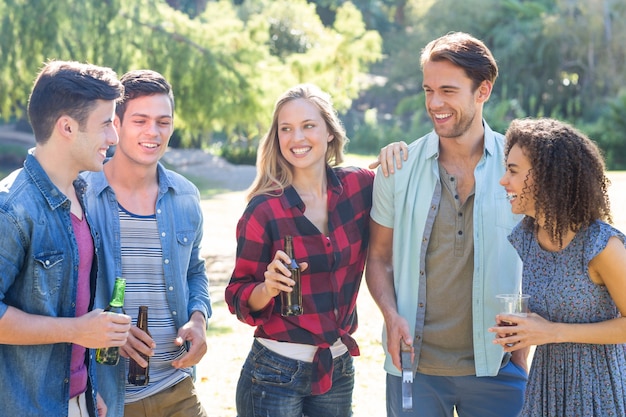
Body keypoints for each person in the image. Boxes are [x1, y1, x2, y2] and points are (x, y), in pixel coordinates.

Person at [365, 32, 528, 417]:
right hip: (412, 370)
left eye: (448, 91)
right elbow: (378, 258)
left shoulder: (520, 169)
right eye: (428, 90)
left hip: (498, 371)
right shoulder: (397, 168)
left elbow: (535, 265)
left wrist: (520, 361)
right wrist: (391, 317)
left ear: (482, 91)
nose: (435, 103)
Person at [225, 83, 377, 417]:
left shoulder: (359, 187)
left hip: (337, 368)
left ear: (330, 133)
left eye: (308, 126)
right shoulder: (264, 211)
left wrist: (396, 150)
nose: (298, 138)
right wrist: (267, 288)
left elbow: (400, 176)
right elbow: (237, 295)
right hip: (273, 373)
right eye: (287, 129)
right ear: (277, 139)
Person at [0, 60, 131, 417]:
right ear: (67, 127)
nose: (114, 137)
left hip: (75, 401)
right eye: (106, 123)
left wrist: (84, 394)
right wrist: (77, 330)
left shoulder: (81, 192)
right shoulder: (11, 209)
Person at [82, 69, 211, 417]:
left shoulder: (185, 195)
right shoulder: (83, 195)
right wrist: (108, 331)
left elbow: (195, 271)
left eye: (163, 121)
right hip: (106, 396)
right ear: (116, 124)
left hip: (177, 387)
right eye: (140, 120)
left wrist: (199, 319)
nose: (153, 132)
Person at [491, 117, 626, 416]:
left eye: (513, 171)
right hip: (546, 390)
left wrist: (551, 332)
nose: (504, 180)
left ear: (546, 177)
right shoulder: (526, 238)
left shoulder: (600, 246)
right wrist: (522, 330)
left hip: (598, 392)